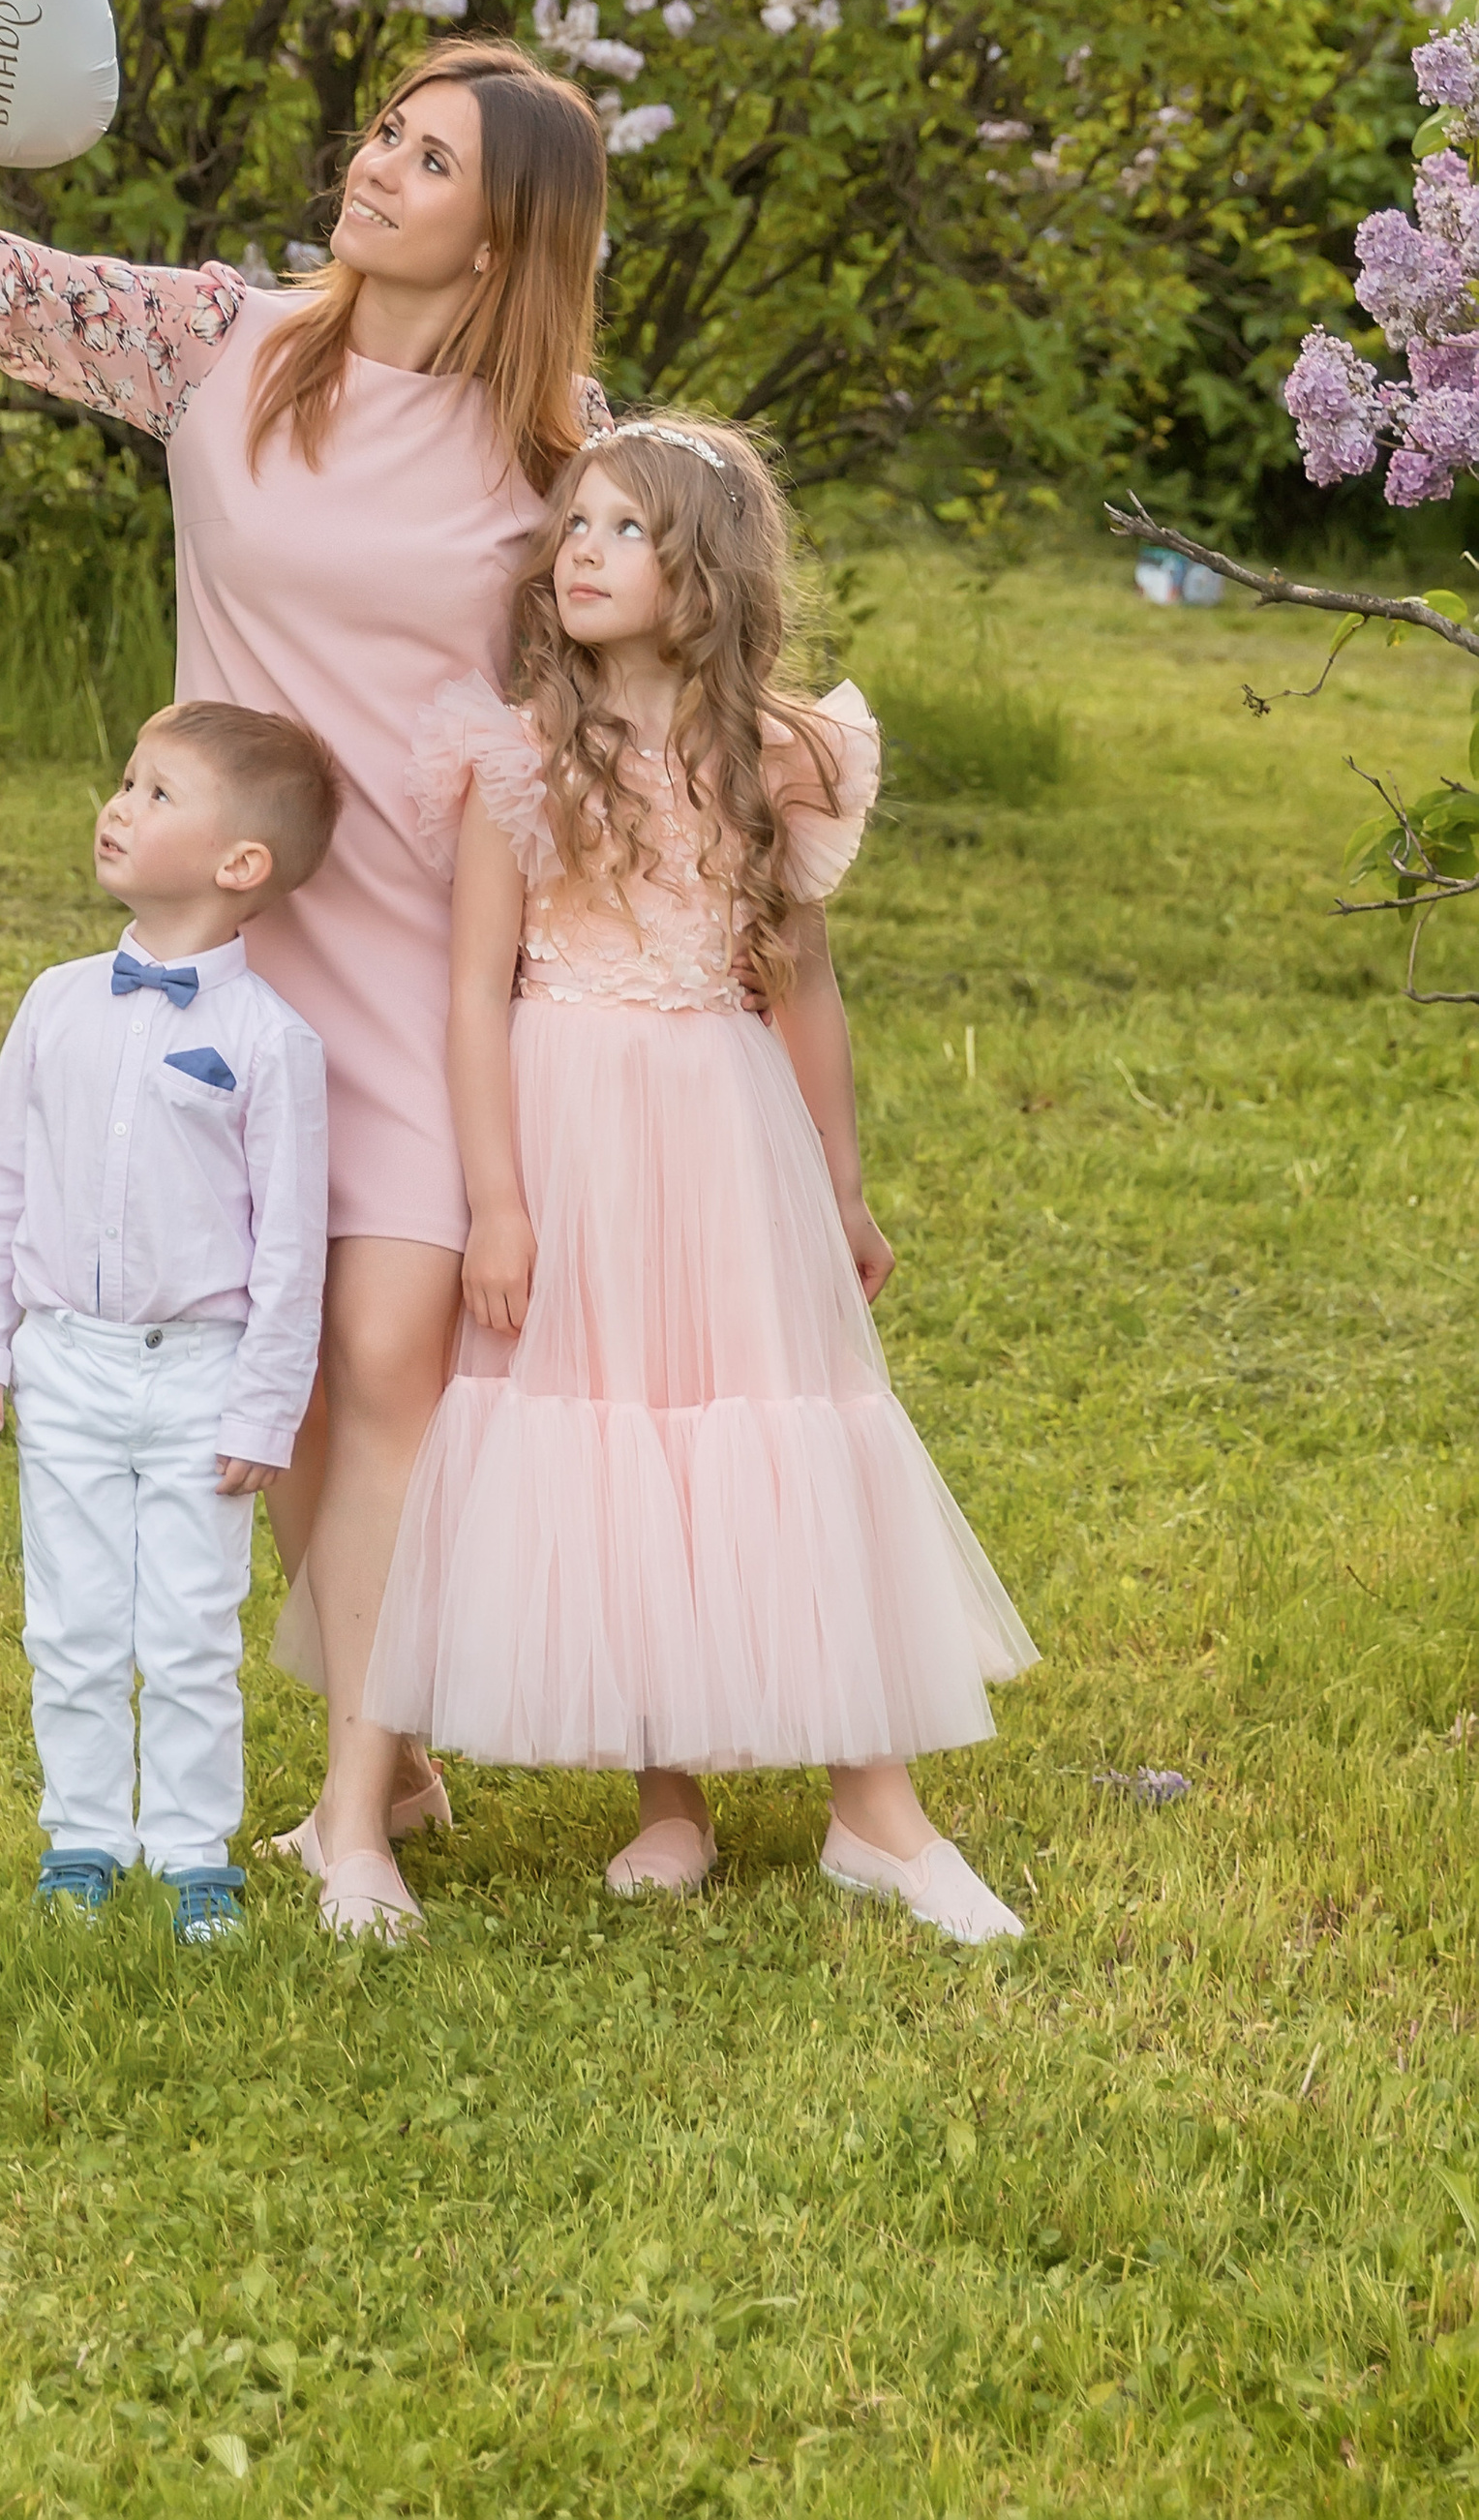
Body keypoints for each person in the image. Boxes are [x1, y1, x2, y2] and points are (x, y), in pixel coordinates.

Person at [0, 37, 609, 1938]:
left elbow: (634, 663)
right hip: (236, 943)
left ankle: (351, 1821)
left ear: (507, 235)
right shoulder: (223, 343)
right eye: (383, 129)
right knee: (266, 1381)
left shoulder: (556, 451)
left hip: (436, 957)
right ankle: (399, 1742)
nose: (375, 166)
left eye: (430, 158)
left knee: (379, 1354)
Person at [364, 415, 1038, 1944]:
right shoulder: (516, 751)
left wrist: (845, 1189)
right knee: (620, 1429)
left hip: (724, 1126)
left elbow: (801, 985)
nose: (580, 554)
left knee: (776, 1423)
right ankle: (670, 1799)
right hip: (571, 1118)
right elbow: (475, 991)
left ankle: (879, 1810)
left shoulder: (782, 754)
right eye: (575, 528)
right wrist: (501, 1202)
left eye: (621, 532)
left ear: (703, 573)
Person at [0, 699, 339, 1942]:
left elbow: (288, 1249)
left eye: (158, 793)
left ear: (241, 867)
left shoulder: (270, 1043)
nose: (119, 804)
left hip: (200, 1376)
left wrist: (264, 1406)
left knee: (187, 1627)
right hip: (63, 1357)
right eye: (126, 781)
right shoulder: (55, 1003)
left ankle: (189, 1846)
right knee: (67, 1617)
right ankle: (81, 1835)